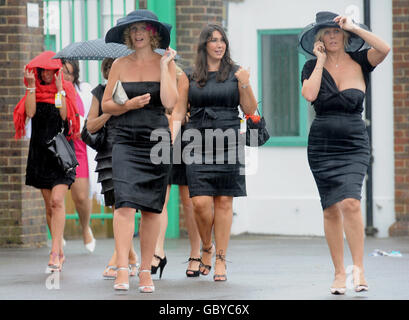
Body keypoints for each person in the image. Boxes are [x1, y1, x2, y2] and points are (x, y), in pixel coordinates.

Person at [299, 12, 390, 294]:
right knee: (330, 208)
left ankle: (358, 269)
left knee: (350, 202)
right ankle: (339, 273)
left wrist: (353, 26)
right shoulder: (312, 66)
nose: (333, 36)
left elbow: (385, 49)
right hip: (322, 145)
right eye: (327, 33)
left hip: (353, 142)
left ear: (345, 35)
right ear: (320, 39)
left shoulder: (361, 62)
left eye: (337, 32)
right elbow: (310, 95)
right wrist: (322, 61)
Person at [171, 24, 257, 281]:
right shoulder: (189, 75)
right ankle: (205, 247)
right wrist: (170, 140)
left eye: (222, 41)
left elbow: (251, 109)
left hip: (228, 140)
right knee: (199, 203)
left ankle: (220, 258)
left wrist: (245, 84)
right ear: (204, 45)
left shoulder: (236, 73)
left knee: (224, 202)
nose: (219, 45)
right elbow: (177, 111)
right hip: (197, 142)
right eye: (213, 40)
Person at [102, 9, 178, 293]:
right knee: (124, 204)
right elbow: (107, 103)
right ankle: (123, 267)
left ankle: (145, 271)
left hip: (156, 139)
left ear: (153, 33)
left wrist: (164, 67)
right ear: (128, 34)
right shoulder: (120, 64)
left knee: (151, 209)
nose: (137, 33)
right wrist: (128, 106)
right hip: (124, 138)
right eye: (133, 30)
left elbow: (170, 102)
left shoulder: (166, 63)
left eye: (142, 28)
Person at [13, 51, 80, 272]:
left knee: (57, 202)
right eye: (44, 71)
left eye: (52, 71)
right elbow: (30, 112)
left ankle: (54, 252)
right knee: (49, 205)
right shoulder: (34, 89)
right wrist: (31, 86)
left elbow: (64, 116)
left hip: (60, 152)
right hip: (41, 152)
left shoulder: (65, 89)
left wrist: (60, 89)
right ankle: (59, 249)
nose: (48, 75)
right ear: (39, 71)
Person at [85, 58, 140, 279]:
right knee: (119, 207)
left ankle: (118, 259)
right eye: (107, 68)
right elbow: (90, 126)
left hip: (130, 149)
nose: (111, 71)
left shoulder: (134, 91)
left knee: (123, 206)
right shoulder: (99, 92)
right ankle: (131, 258)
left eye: (114, 67)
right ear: (104, 71)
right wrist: (110, 111)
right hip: (108, 153)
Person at [151, 66, 202, 279]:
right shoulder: (153, 77)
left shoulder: (183, 77)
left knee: (189, 201)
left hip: (186, 138)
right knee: (160, 199)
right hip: (160, 138)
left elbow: (187, 109)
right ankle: (158, 251)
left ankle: (195, 253)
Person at [61, 59, 97, 253]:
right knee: (55, 198)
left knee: (81, 196)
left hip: (78, 146)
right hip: (58, 146)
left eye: (70, 73)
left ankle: (85, 227)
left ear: (76, 75)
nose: (66, 76)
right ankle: (58, 235)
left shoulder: (84, 90)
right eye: (63, 71)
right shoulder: (54, 91)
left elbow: (92, 116)